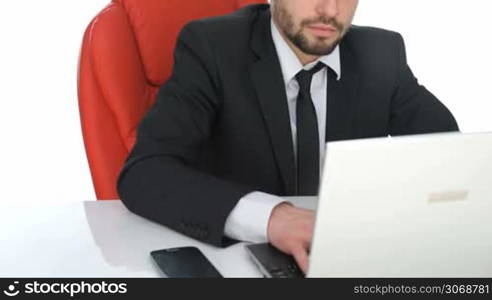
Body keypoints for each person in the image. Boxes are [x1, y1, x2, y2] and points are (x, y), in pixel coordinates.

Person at [117, 0, 459, 273]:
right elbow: (145, 173)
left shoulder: (382, 52)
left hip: (345, 257)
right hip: (240, 260)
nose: (329, 10)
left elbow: (449, 156)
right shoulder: (213, 47)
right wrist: (271, 217)